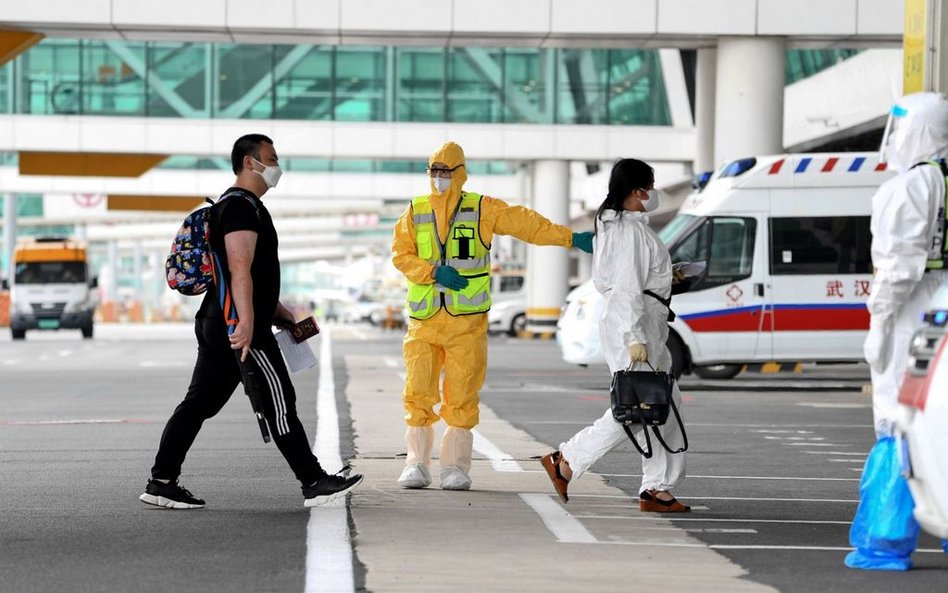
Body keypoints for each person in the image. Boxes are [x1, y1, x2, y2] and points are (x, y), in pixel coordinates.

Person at [140, 134, 363, 509]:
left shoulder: (244, 207)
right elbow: (239, 268)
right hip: (238, 325)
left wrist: (282, 314)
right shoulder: (241, 208)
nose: (276, 167)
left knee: (199, 404)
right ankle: (312, 480)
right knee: (279, 399)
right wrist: (245, 324)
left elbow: (249, 275)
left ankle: (161, 481)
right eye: (271, 158)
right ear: (249, 162)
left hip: (221, 319)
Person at [391, 141, 594, 491]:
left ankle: (454, 467)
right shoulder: (416, 210)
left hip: (465, 322)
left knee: (462, 395)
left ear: (460, 173)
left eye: (445, 172)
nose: (439, 178)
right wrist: (431, 272)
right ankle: (416, 464)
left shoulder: (482, 209)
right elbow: (400, 254)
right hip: (423, 321)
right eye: (434, 172)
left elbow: (526, 224)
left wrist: (569, 237)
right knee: (418, 393)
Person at [539, 158, 689, 513]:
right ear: (635, 190)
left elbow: (636, 282)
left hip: (643, 323)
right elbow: (625, 290)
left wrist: (669, 278)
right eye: (648, 187)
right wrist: (634, 336)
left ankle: (656, 487)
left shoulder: (625, 228)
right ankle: (567, 459)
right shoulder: (627, 233)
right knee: (640, 408)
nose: (652, 194)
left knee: (662, 405)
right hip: (634, 327)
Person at [846, 92, 948, 569]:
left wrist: (880, 322)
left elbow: (900, 268)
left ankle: (885, 540)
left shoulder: (910, 186)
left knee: (898, 420)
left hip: (914, 315)